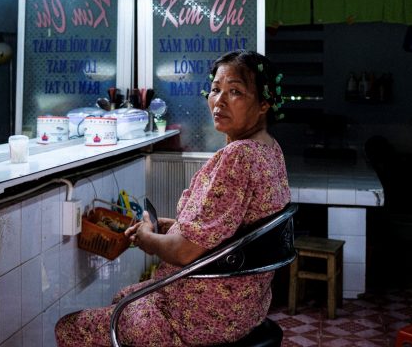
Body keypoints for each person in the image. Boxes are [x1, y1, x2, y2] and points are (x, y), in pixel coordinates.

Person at [55, 49, 291, 347]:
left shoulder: (239, 156)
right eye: (216, 89)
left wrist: (145, 238)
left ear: (264, 105)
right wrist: (171, 227)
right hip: (243, 307)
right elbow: (233, 228)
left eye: (235, 92)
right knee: (122, 298)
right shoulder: (270, 150)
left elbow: (183, 254)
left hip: (200, 313)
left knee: (70, 327)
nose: (219, 101)